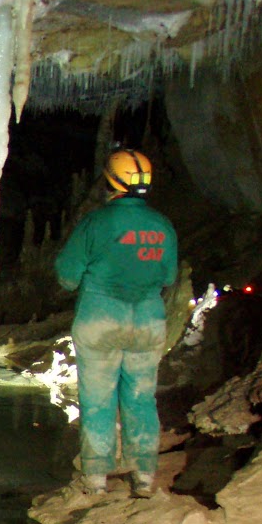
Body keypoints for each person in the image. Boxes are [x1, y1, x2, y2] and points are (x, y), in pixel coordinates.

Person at [54, 148, 179, 498]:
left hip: (101, 319)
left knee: (98, 398)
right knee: (141, 397)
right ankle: (144, 475)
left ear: (111, 181)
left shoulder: (96, 222)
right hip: (148, 321)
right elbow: (169, 276)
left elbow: (67, 276)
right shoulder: (162, 225)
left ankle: (97, 478)